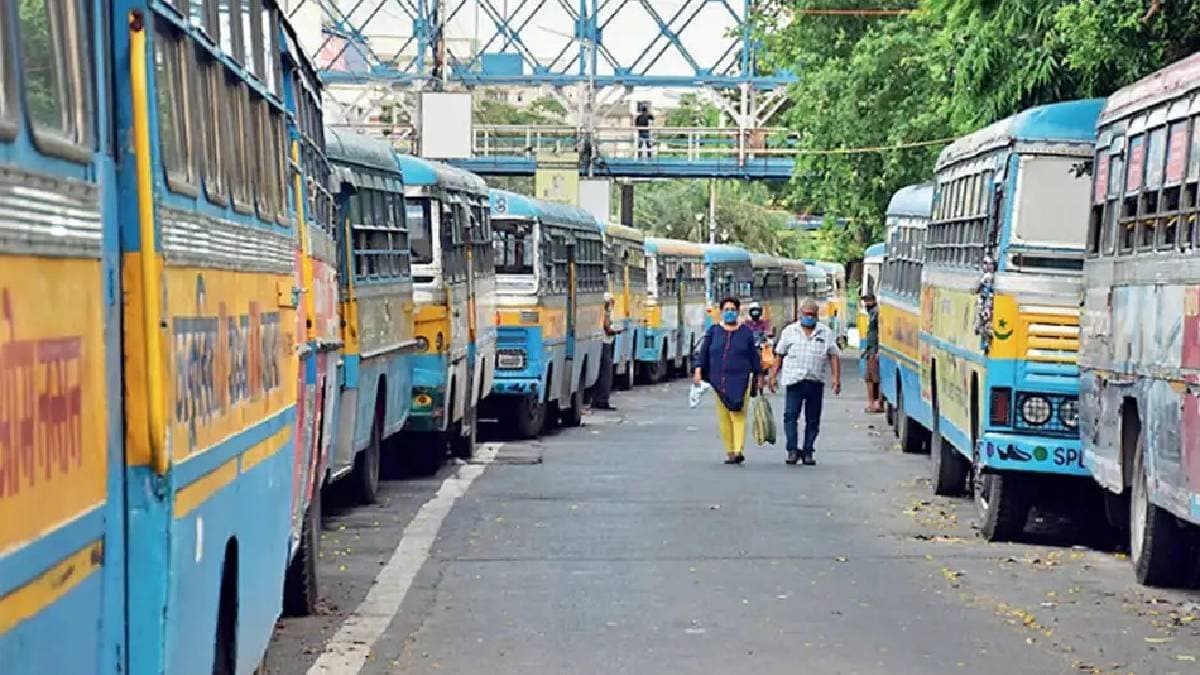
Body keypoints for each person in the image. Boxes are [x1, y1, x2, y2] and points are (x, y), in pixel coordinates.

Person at [770, 298, 842, 466]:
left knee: (813, 419)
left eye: (812, 315)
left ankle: (808, 451)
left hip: (815, 381)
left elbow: (834, 355)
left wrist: (836, 378)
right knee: (790, 417)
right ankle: (792, 450)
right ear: (800, 314)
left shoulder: (825, 333)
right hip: (794, 381)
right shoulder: (790, 332)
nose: (809, 318)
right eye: (806, 314)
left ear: (817, 316)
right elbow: (779, 355)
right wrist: (773, 376)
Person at [693, 297, 763, 464]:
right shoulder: (714, 331)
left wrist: (759, 377)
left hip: (741, 379)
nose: (730, 313)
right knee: (724, 417)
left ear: (738, 312)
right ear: (721, 312)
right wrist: (698, 371)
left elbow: (754, 357)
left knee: (738, 414)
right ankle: (730, 450)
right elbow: (704, 353)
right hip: (718, 380)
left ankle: (739, 450)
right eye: (727, 310)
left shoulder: (745, 332)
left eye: (733, 309)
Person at [592, 293, 621, 411]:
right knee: (606, 373)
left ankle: (596, 399)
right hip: (605, 343)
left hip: (599, 342)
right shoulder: (605, 312)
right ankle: (602, 400)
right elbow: (608, 328)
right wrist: (617, 331)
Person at [860, 293, 884, 413]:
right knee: (870, 377)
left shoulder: (876, 313)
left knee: (874, 378)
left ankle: (876, 404)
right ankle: (873, 403)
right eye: (865, 301)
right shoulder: (872, 313)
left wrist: (878, 349)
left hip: (875, 350)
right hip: (871, 350)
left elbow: (881, 332)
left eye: (868, 301)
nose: (866, 304)